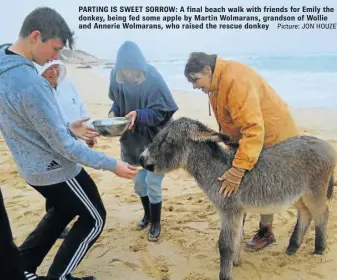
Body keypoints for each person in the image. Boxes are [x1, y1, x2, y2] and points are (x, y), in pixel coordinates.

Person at [0, 7, 137, 280]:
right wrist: (113, 165)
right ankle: (59, 277)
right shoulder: (31, 83)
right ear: (36, 36)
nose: (56, 57)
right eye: (55, 48)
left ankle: (22, 268)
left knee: (62, 211)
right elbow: (66, 147)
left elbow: (29, 125)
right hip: (55, 169)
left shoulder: (2, 66)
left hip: (31, 169)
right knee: (94, 218)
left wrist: (68, 128)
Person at [184, 52, 300, 251]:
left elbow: (254, 130)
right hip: (250, 135)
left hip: (272, 137)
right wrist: (229, 143)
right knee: (237, 181)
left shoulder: (235, 81)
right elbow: (230, 118)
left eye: (195, 80)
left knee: (263, 183)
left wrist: (238, 169)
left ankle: (266, 232)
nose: (195, 86)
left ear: (207, 70)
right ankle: (236, 230)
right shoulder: (216, 82)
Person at [108, 41, 178, 241]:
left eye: (133, 71)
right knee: (139, 183)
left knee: (153, 182)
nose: (129, 76)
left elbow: (162, 111)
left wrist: (139, 115)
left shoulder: (153, 77)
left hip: (156, 140)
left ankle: (156, 223)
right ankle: (147, 215)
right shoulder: (115, 76)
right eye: (125, 72)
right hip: (131, 141)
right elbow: (117, 101)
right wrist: (114, 113)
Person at [35, 59, 96, 239]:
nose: (53, 72)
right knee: (55, 183)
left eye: (56, 67)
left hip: (75, 142)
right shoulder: (37, 91)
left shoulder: (67, 83)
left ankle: (67, 213)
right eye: (48, 69)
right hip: (52, 145)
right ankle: (57, 222)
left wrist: (89, 132)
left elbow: (80, 107)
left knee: (73, 176)